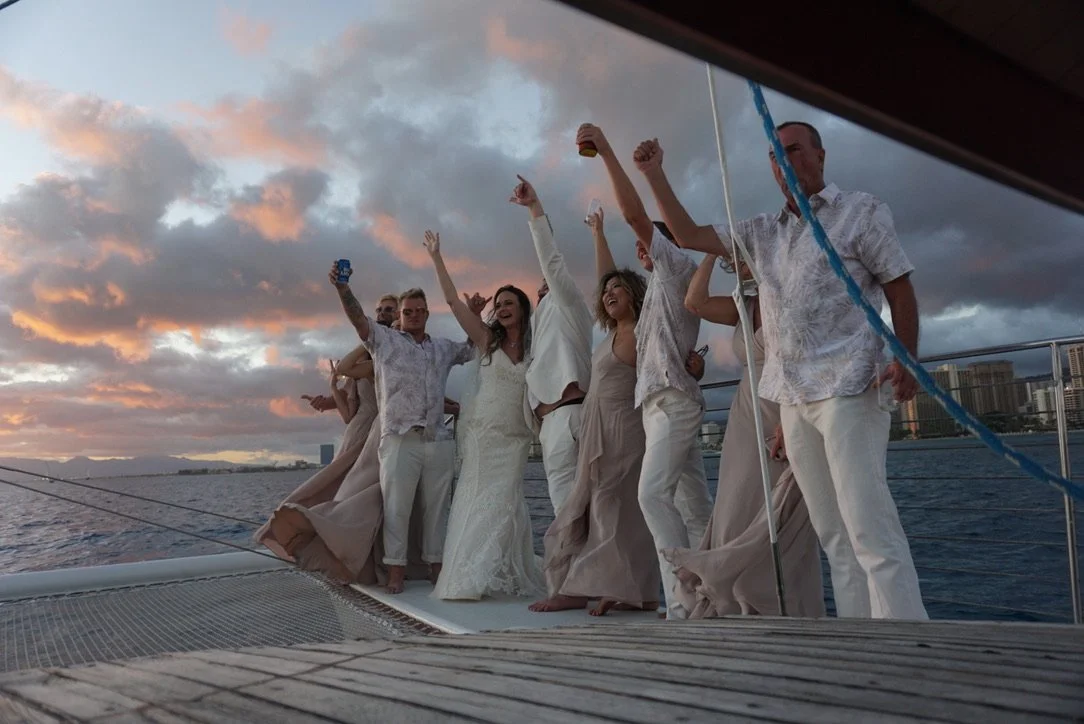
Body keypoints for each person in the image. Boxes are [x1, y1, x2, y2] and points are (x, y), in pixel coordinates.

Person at [635, 123, 926, 619]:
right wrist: (654, 174)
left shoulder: (863, 211)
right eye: (774, 155)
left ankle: (911, 646)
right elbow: (688, 236)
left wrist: (908, 357)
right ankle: (861, 649)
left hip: (850, 386)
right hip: (792, 399)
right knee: (834, 535)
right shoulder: (761, 232)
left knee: (868, 528)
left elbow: (899, 289)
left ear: (820, 155)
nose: (782, 162)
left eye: (792, 150)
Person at [579, 123, 712, 620]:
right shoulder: (654, 291)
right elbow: (613, 286)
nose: (642, 247)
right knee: (693, 506)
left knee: (650, 494)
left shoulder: (677, 267)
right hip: (659, 405)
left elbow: (635, 215)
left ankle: (685, 601)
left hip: (673, 403)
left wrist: (607, 151)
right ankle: (713, 597)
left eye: (649, 242)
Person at [661, 254, 825, 617]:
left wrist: (791, 419)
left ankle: (780, 606)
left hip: (785, 409)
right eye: (735, 259)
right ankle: (731, 603)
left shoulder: (792, 295)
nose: (738, 264)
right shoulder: (743, 304)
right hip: (746, 413)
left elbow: (807, 359)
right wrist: (710, 251)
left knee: (780, 511)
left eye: (745, 254)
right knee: (735, 507)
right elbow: (694, 302)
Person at [530, 204, 661, 616]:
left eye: (618, 290)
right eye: (606, 292)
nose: (608, 294)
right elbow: (606, 277)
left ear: (635, 296)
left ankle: (621, 588)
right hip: (596, 427)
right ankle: (618, 587)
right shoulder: (610, 333)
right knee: (602, 508)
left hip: (624, 429)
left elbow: (665, 369)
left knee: (613, 508)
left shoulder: (641, 333)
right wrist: (597, 233)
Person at [330, 267, 473, 595]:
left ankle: (437, 568)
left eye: (418, 311)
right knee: (397, 508)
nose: (412, 316)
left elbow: (472, 348)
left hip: (437, 439)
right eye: (407, 311)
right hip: (398, 439)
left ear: (426, 313)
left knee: (438, 509)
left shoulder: (442, 348)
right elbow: (358, 320)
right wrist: (343, 289)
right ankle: (396, 571)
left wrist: (474, 313)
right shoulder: (385, 341)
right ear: (401, 314)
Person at [424, 230, 545, 600]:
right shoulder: (487, 341)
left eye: (511, 303)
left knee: (507, 501)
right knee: (476, 498)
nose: (504, 308)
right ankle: (467, 576)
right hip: (483, 435)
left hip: (515, 437)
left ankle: (501, 568)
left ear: (524, 308)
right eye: (500, 304)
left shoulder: (536, 344)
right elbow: (450, 300)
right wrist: (436, 257)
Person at [511, 175, 594, 517]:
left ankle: (580, 571)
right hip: (552, 425)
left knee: (573, 514)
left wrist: (534, 209)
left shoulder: (569, 301)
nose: (544, 283)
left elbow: (552, 260)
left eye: (548, 280)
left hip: (569, 416)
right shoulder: (541, 320)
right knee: (570, 513)